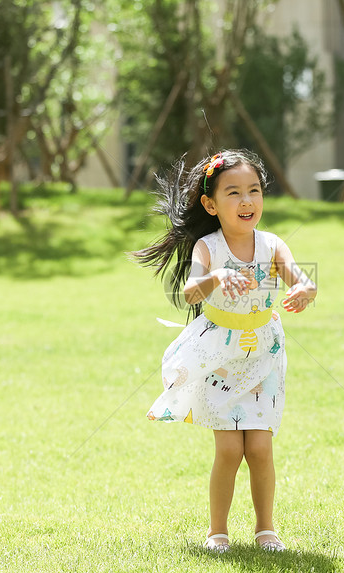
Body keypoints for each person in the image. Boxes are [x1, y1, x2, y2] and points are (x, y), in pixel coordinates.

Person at [131, 149, 317, 553]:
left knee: (261, 447)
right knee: (231, 448)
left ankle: (266, 530)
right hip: (220, 356)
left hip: (264, 352)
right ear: (211, 204)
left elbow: (302, 279)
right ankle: (218, 532)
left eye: (254, 190)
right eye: (234, 193)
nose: (247, 201)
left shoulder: (271, 244)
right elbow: (188, 290)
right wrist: (216, 278)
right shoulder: (208, 248)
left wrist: (304, 289)